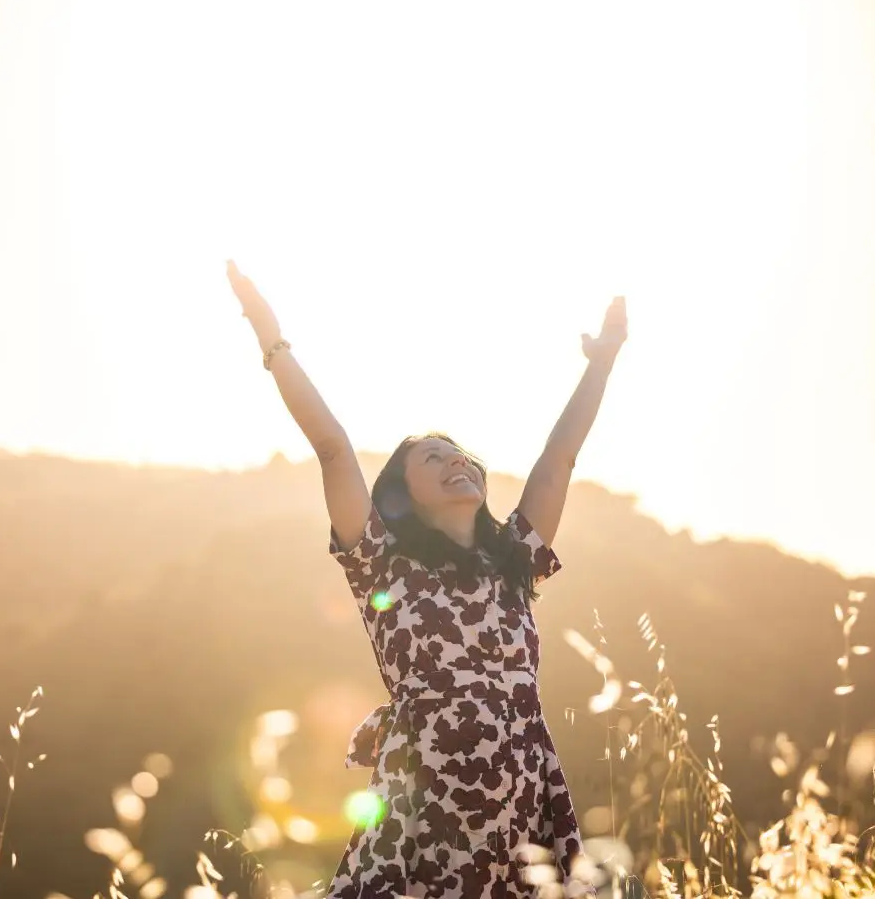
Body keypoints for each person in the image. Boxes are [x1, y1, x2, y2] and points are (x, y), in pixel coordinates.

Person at [227, 260, 628, 899]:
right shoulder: (382, 563)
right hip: (426, 803)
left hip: (524, 797)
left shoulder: (514, 559)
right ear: (402, 494)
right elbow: (332, 445)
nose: (455, 463)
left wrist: (602, 363)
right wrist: (271, 339)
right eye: (431, 459)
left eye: (458, 454)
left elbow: (559, 459)